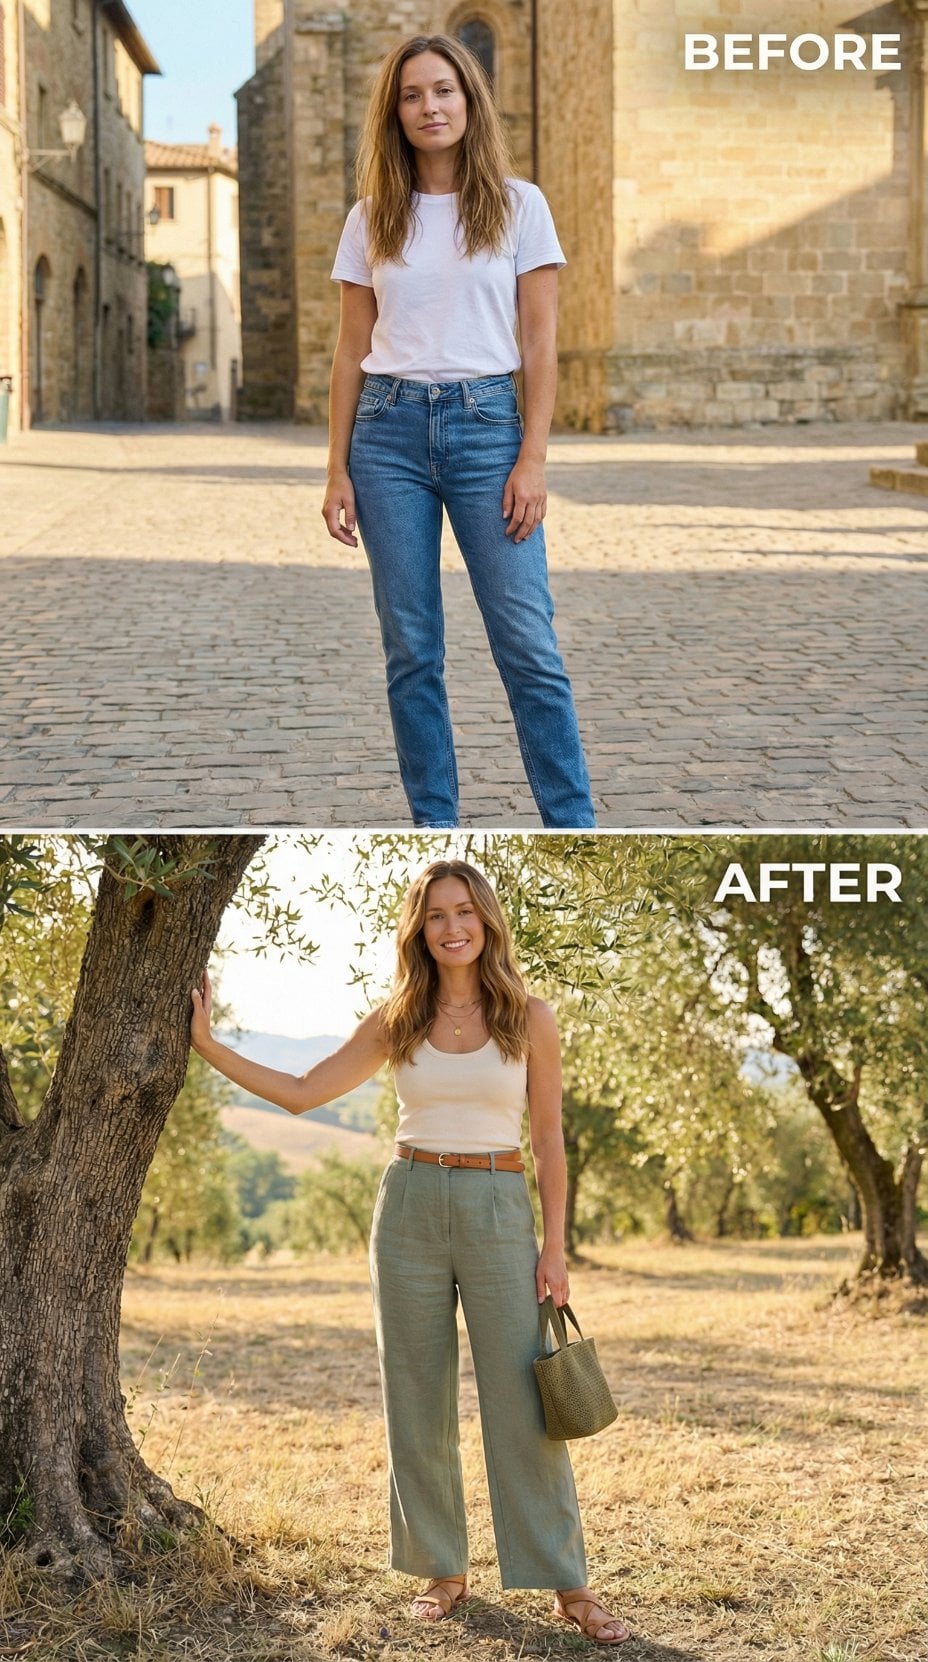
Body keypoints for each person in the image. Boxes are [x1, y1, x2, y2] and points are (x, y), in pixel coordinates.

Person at [190, 859, 628, 1644]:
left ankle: (568, 1583)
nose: (452, 927)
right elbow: (301, 1090)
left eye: (464, 911)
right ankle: (442, 1568)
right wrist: (209, 1045)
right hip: (410, 1204)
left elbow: (551, 1138)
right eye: (436, 916)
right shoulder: (399, 1016)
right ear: (418, 930)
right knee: (415, 1392)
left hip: (500, 1204)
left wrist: (555, 1245)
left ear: (486, 921)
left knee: (525, 1400)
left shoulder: (530, 1017)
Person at [322, 35, 596, 831]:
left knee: (528, 646)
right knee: (412, 652)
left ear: (469, 101)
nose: (429, 107)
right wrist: (336, 469)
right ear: (395, 112)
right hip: (386, 436)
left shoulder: (520, 206)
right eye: (412, 95)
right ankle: (434, 823)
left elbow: (539, 343)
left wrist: (533, 458)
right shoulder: (371, 217)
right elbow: (349, 349)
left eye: (443, 91)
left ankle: (572, 821)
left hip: (487, 431)